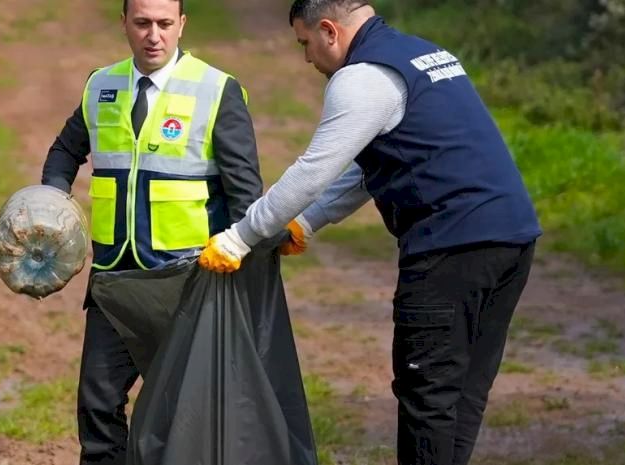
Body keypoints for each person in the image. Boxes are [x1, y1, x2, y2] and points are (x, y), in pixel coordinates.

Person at [198, 1, 542, 464]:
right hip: (511, 239)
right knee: (461, 393)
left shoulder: (361, 78)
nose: (307, 58)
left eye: (305, 43)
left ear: (329, 30)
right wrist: (306, 221)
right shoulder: (421, 54)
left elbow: (313, 171)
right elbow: (371, 167)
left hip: (451, 246)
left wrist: (239, 237)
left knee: (428, 393)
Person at [41, 0, 262, 462]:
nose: (153, 35)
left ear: (182, 24)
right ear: (124, 23)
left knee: (182, 417)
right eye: (142, 23)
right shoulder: (101, 85)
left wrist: (241, 271)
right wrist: (51, 202)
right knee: (97, 405)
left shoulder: (216, 90)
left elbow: (245, 193)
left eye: (164, 23)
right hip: (113, 281)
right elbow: (64, 151)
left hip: (188, 284)